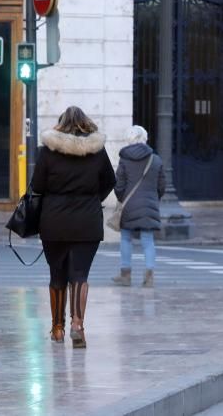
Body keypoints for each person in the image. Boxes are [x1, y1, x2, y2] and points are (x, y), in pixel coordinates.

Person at [30, 106, 115, 349]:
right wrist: (91, 199)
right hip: (87, 221)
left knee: (57, 275)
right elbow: (110, 181)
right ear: (86, 124)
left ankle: (57, 328)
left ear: (60, 124)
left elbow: (37, 185)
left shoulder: (48, 152)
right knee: (80, 274)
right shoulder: (97, 152)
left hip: (53, 221)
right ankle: (78, 325)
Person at [111, 125, 166, 288]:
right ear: (145, 139)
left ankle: (125, 275)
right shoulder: (155, 159)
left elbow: (119, 185)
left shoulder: (125, 160)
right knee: (148, 240)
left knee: (126, 238)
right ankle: (149, 276)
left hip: (129, 205)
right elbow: (162, 185)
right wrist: (154, 199)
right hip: (149, 204)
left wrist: (122, 200)